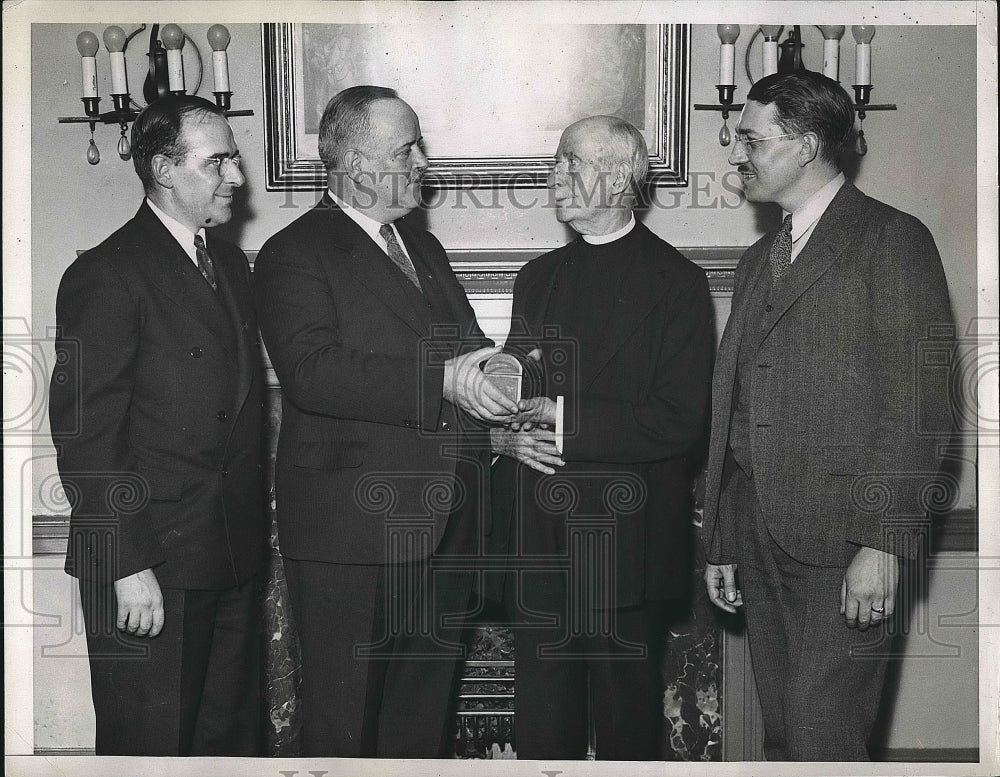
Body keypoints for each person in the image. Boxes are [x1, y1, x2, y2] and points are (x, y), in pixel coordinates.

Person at [252, 85, 518, 758]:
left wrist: (515, 387)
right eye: (408, 148)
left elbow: (470, 347)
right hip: (353, 532)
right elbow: (313, 369)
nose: (424, 162)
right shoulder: (294, 252)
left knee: (419, 720)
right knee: (345, 722)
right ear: (355, 164)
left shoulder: (420, 249)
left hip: (444, 522)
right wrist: (444, 379)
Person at [701, 70, 953, 761]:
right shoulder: (759, 259)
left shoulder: (893, 240)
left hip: (846, 543)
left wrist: (882, 542)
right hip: (757, 535)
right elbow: (739, 402)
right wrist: (723, 533)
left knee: (824, 735)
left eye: (751, 138)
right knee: (789, 734)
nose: (736, 154)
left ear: (807, 144)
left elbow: (921, 408)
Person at [489, 115, 714, 759]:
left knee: (625, 730)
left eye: (572, 163)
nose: (555, 175)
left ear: (620, 180)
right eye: (556, 161)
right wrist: (501, 426)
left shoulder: (678, 283)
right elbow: (516, 379)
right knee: (542, 726)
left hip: (626, 543)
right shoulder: (537, 276)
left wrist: (558, 415)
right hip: (541, 541)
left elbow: (679, 421)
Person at [48, 95, 266, 755]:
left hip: (228, 556)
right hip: (150, 565)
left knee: (227, 747)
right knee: (151, 749)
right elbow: (87, 434)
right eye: (218, 161)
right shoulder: (105, 273)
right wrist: (125, 563)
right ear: (165, 169)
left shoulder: (227, 264)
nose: (235, 176)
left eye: (232, 158)